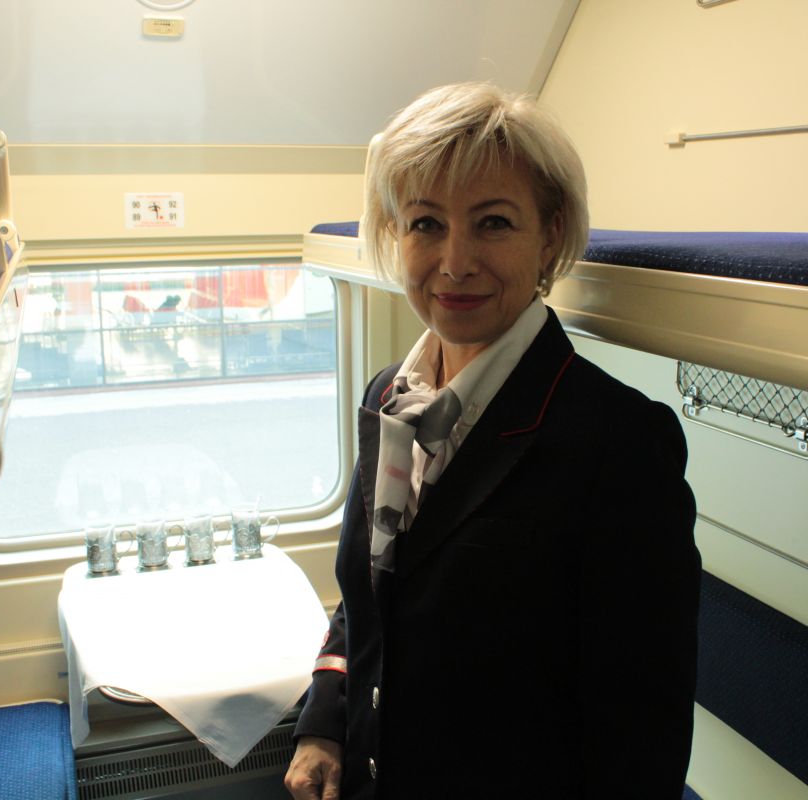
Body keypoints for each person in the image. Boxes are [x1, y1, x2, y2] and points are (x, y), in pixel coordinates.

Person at [285, 82, 700, 800]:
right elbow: (372, 599)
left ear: (550, 236)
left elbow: (640, 733)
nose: (454, 261)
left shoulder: (619, 444)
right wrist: (324, 723)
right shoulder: (388, 397)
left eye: (494, 223)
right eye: (425, 223)